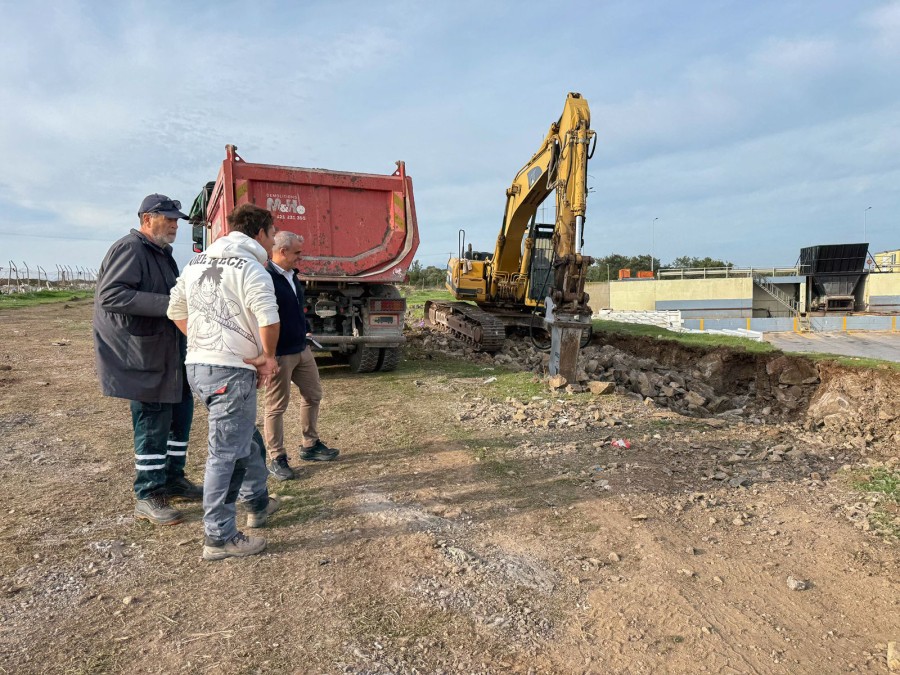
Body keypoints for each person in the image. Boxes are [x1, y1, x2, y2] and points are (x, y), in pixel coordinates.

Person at [167, 203, 282, 561]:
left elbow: (175, 311)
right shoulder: (251, 268)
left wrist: (204, 342)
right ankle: (219, 535)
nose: (274, 239)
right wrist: (267, 356)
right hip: (231, 371)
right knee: (225, 454)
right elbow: (268, 316)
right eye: (273, 232)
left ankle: (256, 501)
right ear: (261, 233)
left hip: (199, 367)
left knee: (243, 436)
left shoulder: (196, 263)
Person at [94, 193, 203, 527]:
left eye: (176, 220)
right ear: (146, 218)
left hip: (171, 351)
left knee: (180, 414)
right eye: (167, 218)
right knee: (152, 420)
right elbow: (112, 295)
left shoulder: (162, 254)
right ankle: (149, 493)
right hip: (144, 353)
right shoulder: (130, 249)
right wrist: (170, 304)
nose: (174, 225)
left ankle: (173, 478)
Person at [263, 231, 339, 480]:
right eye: (297, 252)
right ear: (282, 251)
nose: (300, 257)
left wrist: (304, 332)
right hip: (280, 354)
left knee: (313, 394)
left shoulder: (292, 276)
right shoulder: (265, 277)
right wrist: (268, 355)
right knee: (276, 406)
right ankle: (277, 457)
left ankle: (310, 445)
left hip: (301, 349)